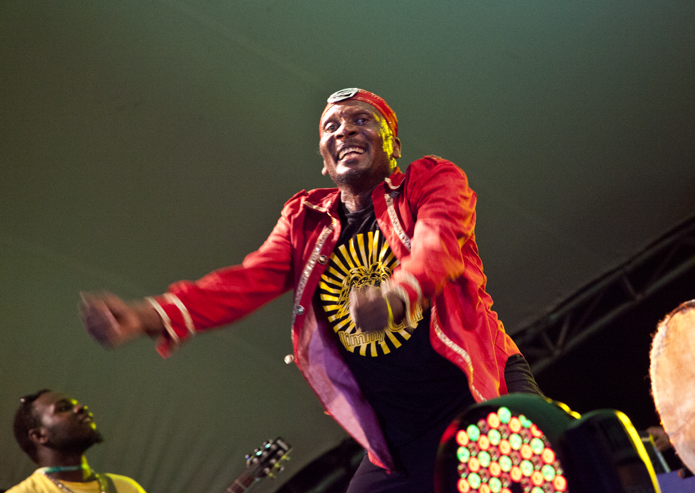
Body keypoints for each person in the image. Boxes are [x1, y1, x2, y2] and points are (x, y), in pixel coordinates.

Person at [79, 88, 542, 492]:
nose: (345, 131)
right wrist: (147, 315)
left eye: (363, 120)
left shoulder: (430, 181)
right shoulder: (305, 221)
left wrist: (399, 296)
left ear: (393, 145)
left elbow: (436, 244)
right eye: (331, 127)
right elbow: (246, 281)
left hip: (474, 396)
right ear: (323, 158)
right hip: (397, 438)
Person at [8, 390, 146, 493]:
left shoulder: (125, 488)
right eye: (64, 408)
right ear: (39, 436)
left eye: (76, 404)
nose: (80, 408)